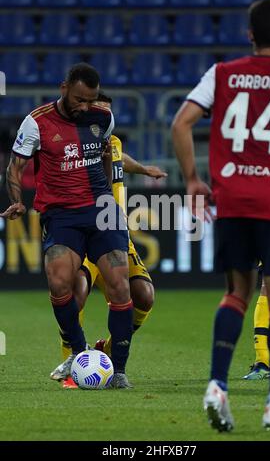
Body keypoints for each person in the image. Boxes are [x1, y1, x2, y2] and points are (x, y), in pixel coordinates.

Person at [172, 0, 270, 432]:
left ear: (249, 34)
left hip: (232, 199)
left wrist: (192, 180)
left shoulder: (222, 73)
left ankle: (217, 385)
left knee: (236, 292)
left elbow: (180, 123)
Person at [1, 63, 134, 389]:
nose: (85, 107)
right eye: (79, 99)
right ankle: (78, 351)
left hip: (102, 209)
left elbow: (107, 157)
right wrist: (17, 199)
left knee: (120, 284)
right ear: (64, 89)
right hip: (61, 213)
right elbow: (14, 168)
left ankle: (118, 370)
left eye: (90, 100)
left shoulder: (102, 118)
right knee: (59, 281)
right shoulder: (37, 122)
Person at [57, 99, 167, 388]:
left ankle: (107, 354)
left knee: (144, 295)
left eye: (107, 111)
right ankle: (73, 365)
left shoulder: (113, 142)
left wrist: (143, 170)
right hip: (86, 234)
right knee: (76, 291)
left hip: (117, 236)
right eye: (97, 108)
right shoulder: (76, 145)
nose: (103, 116)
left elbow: (121, 160)